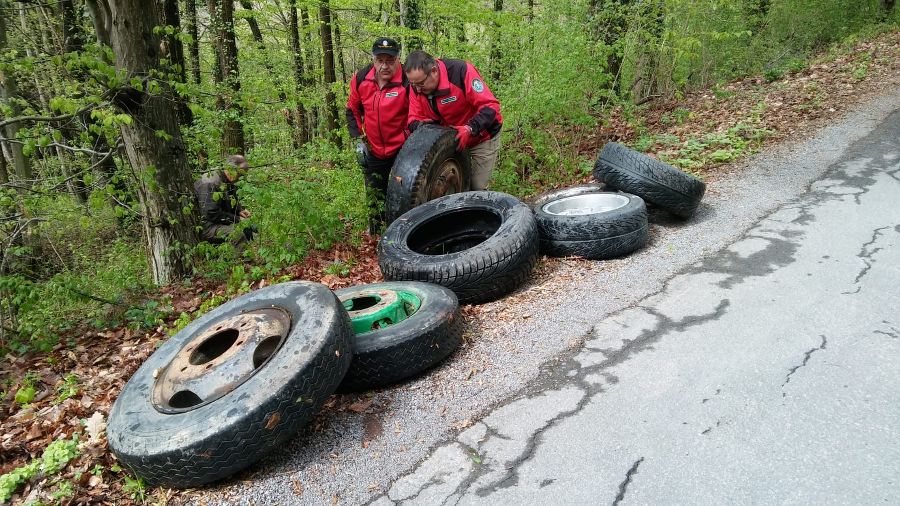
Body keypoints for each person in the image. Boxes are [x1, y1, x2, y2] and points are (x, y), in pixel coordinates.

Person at [404, 50, 503, 190]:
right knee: (447, 185)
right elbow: (413, 119)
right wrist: (423, 127)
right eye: (413, 84)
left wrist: (470, 128)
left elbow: (491, 107)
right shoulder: (416, 87)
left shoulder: (461, 71)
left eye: (420, 84)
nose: (417, 90)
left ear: (434, 71)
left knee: (477, 187)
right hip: (450, 139)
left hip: (482, 136)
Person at [346, 37, 410, 234]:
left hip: (402, 148)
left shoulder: (408, 81)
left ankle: (403, 233)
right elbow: (352, 110)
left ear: (398, 59)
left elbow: (418, 113)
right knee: (374, 193)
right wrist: (358, 140)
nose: (385, 66)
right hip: (373, 148)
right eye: (380, 60)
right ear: (373, 60)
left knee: (404, 193)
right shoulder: (361, 78)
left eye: (390, 61)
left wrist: (409, 137)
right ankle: (376, 233)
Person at [194, 154, 255, 245]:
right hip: (207, 227)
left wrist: (239, 210)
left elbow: (231, 197)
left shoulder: (227, 178)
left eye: (242, 175)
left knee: (249, 226)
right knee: (238, 235)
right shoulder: (211, 182)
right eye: (239, 174)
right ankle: (244, 259)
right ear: (230, 168)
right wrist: (237, 219)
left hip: (217, 221)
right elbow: (211, 213)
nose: (239, 178)